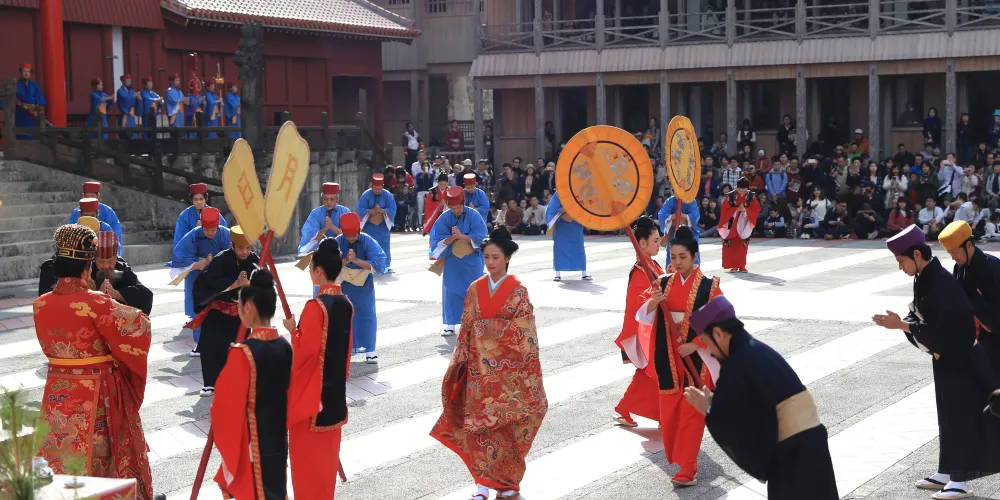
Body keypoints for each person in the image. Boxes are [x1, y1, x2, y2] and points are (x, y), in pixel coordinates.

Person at [873, 224, 1000, 500]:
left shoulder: (986, 269)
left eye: (901, 261)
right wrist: (907, 322)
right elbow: (938, 316)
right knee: (949, 414)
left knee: (966, 416)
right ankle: (948, 470)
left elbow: (952, 321)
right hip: (956, 352)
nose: (952, 257)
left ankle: (959, 479)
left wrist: (903, 325)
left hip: (978, 350)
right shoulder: (941, 274)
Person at [34, 224, 155, 500]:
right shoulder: (97, 302)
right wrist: (114, 299)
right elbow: (139, 327)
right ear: (87, 268)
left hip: (56, 392)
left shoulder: (39, 304)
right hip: (99, 391)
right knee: (101, 457)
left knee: (60, 456)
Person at [430, 225, 547, 500]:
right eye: (486, 257)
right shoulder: (475, 289)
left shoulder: (519, 291)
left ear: (507, 258)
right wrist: (462, 361)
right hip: (478, 373)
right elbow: (467, 330)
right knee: (478, 426)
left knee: (507, 428)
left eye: (496, 257)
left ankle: (507, 481)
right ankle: (481, 484)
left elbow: (525, 334)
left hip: (510, 378)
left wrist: (484, 334)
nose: (491, 263)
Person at [683, 296, 839, 499]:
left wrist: (709, 409)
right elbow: (754, 407)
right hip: (810, 444)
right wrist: (714, 403)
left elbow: (741, 424)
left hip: (793, 453)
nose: (710, 352)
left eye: (705, 342)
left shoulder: (737, 363)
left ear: (719, 334)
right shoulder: (755, 349)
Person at [634, 225, 722, 486]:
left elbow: (721, 322)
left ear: (695, 256)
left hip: (696, 358)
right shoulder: (662, 284)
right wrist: (653, 301)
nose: (677, 262)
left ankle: (688, 467)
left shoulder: (709, 286)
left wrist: (695, 344)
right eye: (673, 257)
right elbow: (642, 315)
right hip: (668, 355)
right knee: (671, 413)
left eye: (683, 257)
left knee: (692, 411)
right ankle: (681, 460)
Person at [212, 269, 292, 500]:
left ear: (248, 307)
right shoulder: (285, 347)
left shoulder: (243, 353)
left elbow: (224, 407)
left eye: (239, 305)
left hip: (251, 445)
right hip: (278, 439)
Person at [285, 238, 354, 500]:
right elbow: (345, 353)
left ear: (318, 271)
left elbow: (304, 354)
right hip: (335, 398)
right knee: (325, 470)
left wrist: (293, 331)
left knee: (307, 471)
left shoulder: (316, 307)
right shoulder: (346, 304)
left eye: (311, 268)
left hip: (312, 403)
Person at [184, 226, 257, 397]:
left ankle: (239, 382)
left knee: (242, 348)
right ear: (232, 245)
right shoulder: (220, 259)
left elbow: (265, 284)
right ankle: (210, 383)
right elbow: (205, 283)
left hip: (241, 314)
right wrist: (234, 284)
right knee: (212, 348)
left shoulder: (255, 261)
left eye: (248, 248)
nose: (245, 252)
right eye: (241, 248)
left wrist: (249, 288)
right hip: (218, 312)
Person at [613, 216, 664, 427]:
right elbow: (639, 307)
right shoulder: (641, 271)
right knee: (652, 373)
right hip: (644, 331)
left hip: (651, 328)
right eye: (655, 241)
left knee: (652, 374)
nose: (659, 244)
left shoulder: (651, 265)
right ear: (642, 243)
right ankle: (628, 410)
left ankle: (629, 410)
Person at [168, 207, 232, 356]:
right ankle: (200, 344)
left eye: (213, 230)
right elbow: (179, 256)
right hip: (198, 275)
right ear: (201, 225)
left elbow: (233, 254)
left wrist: (216, 262)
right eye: (206, 230)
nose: (210, 233)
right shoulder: (193, 235)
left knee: (223, 307)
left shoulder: (225, 234)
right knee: (199, 308)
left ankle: (225, 342)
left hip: (221, 275)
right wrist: (200, 264)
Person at [939, 221, 1000, 372]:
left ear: (969, 245)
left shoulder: (993, 267)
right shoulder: (959, 268)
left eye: (955, 252)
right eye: (950, 253)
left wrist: (970, 300)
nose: (953, 258)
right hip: (973, 338)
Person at [430, 186, 488, 337]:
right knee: (451, 291)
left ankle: (475, 323)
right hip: (453, 260)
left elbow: (481, 236)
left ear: (463, 203)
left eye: (459, 207)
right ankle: (450, 324)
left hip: (471, 259)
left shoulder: (474, 215)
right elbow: (436, 238)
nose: (456, 210)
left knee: (474, 291)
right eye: (453, 208)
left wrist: (462, 236)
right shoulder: (445, 218)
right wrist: (452, 238)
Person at [334, 213, 387, 363]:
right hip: (344, 285)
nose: (351, 239)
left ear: (359, 230)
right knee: (344, 316)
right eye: (347, 236)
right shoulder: (338, 241)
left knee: (367, 315)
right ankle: (347, 349)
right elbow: (330, 263)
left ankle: (370, 350)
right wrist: (346, 260)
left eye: (354, 235)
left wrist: (356, 260)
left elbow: (379, 262)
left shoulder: (367, 240)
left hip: (364, 285)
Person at [545, 191, 591, 281]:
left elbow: (585, 205)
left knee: (579, 248)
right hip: (561, 223)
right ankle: (557, 273)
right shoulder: (560, 192)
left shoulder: (579, 191)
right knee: (560, 248)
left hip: (576, 222)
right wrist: (561, 209)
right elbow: (552, 208)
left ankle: (584, 272)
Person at [718, 178, 762, 273]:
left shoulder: (751, 196)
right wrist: (736, 210)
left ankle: (742, 265)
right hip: (732, 222)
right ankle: (733, 265)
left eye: (744, 190)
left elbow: (756, 209)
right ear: (737, 188)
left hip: (745, 222)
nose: (742, 192)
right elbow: (724, 209)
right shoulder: (730, 196)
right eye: (740, 190)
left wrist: (745, 210)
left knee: (743, 244)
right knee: (732, 244)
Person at [357, 174, 397, 273]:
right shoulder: (366, 195)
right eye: (375, 188)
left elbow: (392, 209)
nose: (377, 190)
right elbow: (360, 209)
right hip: (369, 225)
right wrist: (371, 211)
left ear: (382, 186)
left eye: (379, 188)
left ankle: (386, 266)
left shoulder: (387, 195)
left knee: (384, 246)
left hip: (383, 225)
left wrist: (382, 210)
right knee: (369, 246)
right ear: (372, 186)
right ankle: (369, 265)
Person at [298, 182, 351, 254]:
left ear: (337, 199)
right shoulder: (315, 213)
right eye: (326, 199)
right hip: (320, 251)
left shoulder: (345, 212)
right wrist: (325, 229)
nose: (328, 202)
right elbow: (310, 238)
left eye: (332, 199)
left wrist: (332, 227)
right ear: (322, 198)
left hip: (340, 251)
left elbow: (350, 237)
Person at [69, 181, 123, 248]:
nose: (89, 199)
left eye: (92, 215)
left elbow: (115, 236)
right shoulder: (75, 222)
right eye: (87, 196)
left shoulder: (105, 224)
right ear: (80, 214)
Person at [658, 196, 701, 266]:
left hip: (689, 233)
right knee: (672, 254)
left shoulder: (691, 200)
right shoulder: (670, 201)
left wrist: (682, 216)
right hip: (673, 233)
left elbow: (695, 216)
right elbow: (662, 214)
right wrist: (673, 217)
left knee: (691, 252)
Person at [15, 63, 46, 140]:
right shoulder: (15, 85)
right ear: (20, 72)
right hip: (19, 114)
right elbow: (10, 99)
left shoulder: (34, 85)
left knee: (33, 136)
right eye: (24, 71)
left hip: (32, 115)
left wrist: (31, 107)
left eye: (28, 71)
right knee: (20, 136)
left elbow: (41, 102)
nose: (26, 73)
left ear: (30, 74)